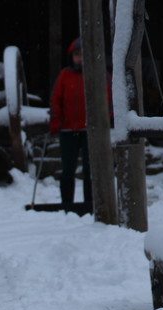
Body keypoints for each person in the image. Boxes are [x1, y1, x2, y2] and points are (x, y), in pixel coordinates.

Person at [49, 38, 111, 215]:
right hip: (68, 130)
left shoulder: (100, 75)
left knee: (90, 169)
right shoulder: (65, 75)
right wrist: (55, 121)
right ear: (72, 57)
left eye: (83, 54)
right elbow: (55, 100)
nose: (80, 58)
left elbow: (109, 99)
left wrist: (106, 120)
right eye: (77, 55)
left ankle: (90, 203)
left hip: (90, 131)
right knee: (68, 169)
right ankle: (66, 204)